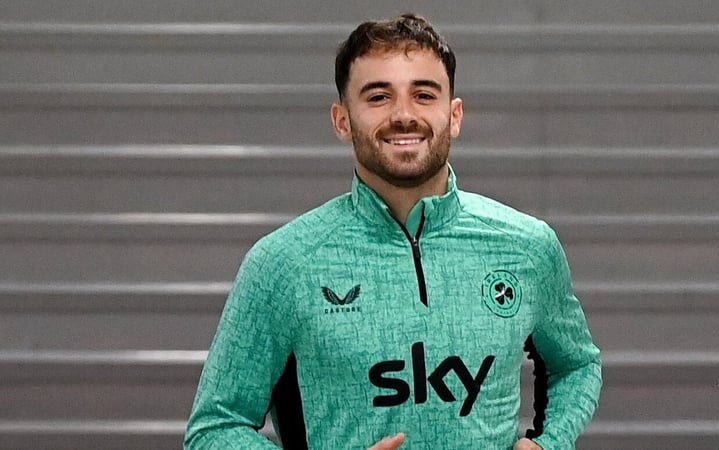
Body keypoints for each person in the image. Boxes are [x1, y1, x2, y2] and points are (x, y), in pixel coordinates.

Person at [184, 13, 601, 450]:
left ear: (453, 115)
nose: (404, 115)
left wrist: (549, 443)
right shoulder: (284, 264)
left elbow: (577, 365)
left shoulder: (527, 246)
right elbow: (215, 428)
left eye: (424, 94)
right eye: (378, 97)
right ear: (342, 120)